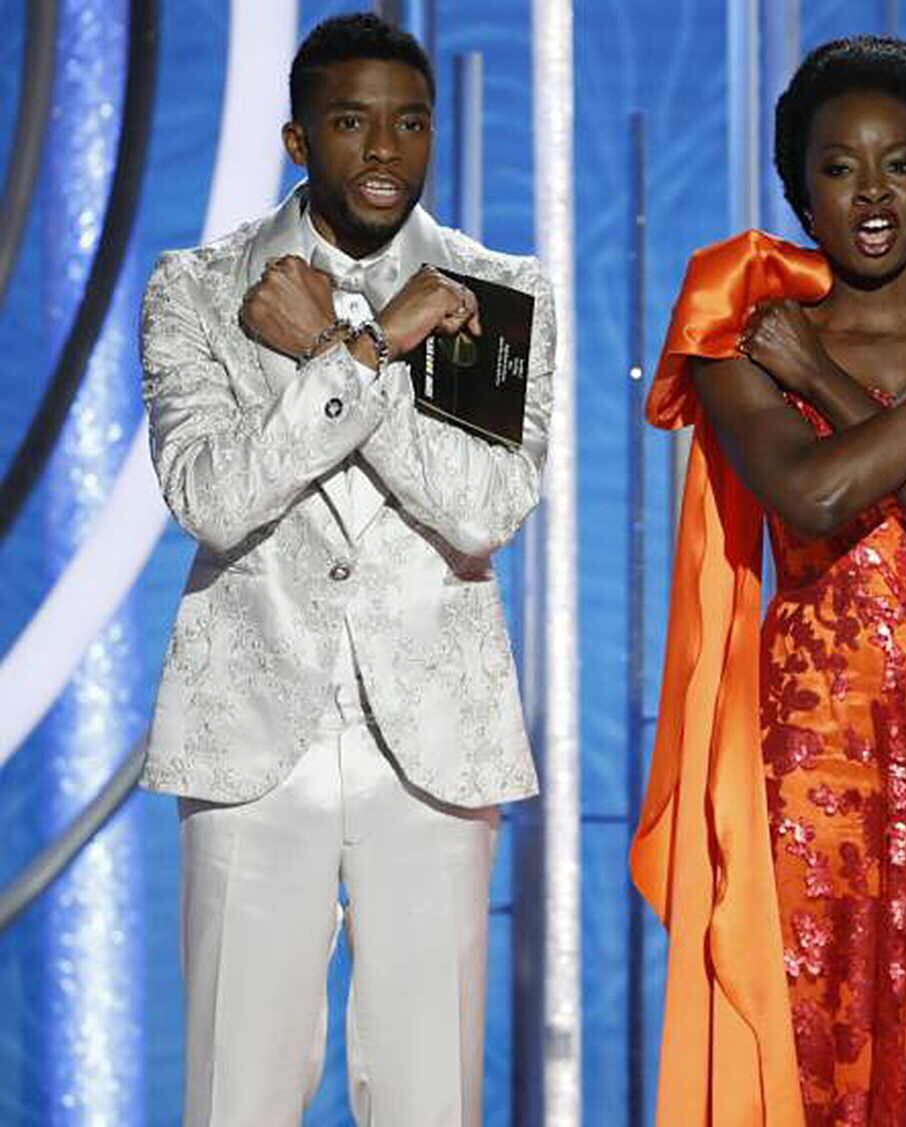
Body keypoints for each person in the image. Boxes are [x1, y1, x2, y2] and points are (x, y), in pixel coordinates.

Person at [629, 35, 906, 1125]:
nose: (872, 193)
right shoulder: (743, 337)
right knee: (819, 1028)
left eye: (901, 163)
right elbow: (812, 496)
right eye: (839, 167)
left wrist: (836, 379)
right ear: (798, 187)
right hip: (811, 742)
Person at [138, 14, 551, 1124]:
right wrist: (367, 355)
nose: (383, 150)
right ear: (294, 136)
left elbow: (483, 509)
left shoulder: (492, 293)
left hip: (430, 743)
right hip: (250, 738)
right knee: (238, 1093)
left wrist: (338, 361)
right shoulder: (201, 285)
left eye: (409, 123)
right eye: (352, 121)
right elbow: (211, 498)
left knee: (428, 1096)